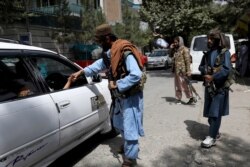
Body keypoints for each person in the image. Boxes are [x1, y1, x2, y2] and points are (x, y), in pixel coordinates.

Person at [71, 24, 144, 167]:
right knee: (119, 123)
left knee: (130, 126)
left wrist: (117, 84)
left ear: (107, 38)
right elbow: (98, 65)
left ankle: (130, 157)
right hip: (119, 96)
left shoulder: (124, 51)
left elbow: (136, 74)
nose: (99, 44)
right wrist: (81, 72)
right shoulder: (111, 52)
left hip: (130, 96)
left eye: (100, 41)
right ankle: (128, 146)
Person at [198, 29, 231, 148]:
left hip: (220, 88)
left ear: (217, 40)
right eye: (208, 38)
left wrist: (213, 76)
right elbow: (201, 67)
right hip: (209, 87)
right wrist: (205, 71)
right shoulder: (207, 53)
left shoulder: (224, 53)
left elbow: (226, 70)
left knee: (215, 113)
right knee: (209, 112)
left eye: (211, 39)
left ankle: (211, 137)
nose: (209, 41)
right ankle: (215, 132)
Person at [170, 36, 196, 105]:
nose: (175, 44)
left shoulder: (185, 49)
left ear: (180, 42)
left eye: (176, 42)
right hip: (177, 71)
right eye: (174, 42)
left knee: (185, 85)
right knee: (177, 86)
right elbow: (170, 56)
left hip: (183, 72)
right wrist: (171, 49)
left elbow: (187, 61)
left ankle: (191, 98)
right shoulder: (176, 50)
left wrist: (188, 71)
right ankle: (178, 98)